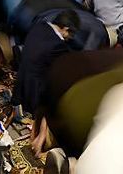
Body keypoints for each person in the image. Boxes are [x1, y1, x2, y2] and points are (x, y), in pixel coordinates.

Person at [15, 9, 81, 153]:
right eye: (71, 34)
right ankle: (41, 137)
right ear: (66, 29)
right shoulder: (58, 46)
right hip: (36, 91)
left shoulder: (39, 26)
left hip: (22, 81)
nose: (70, 37)